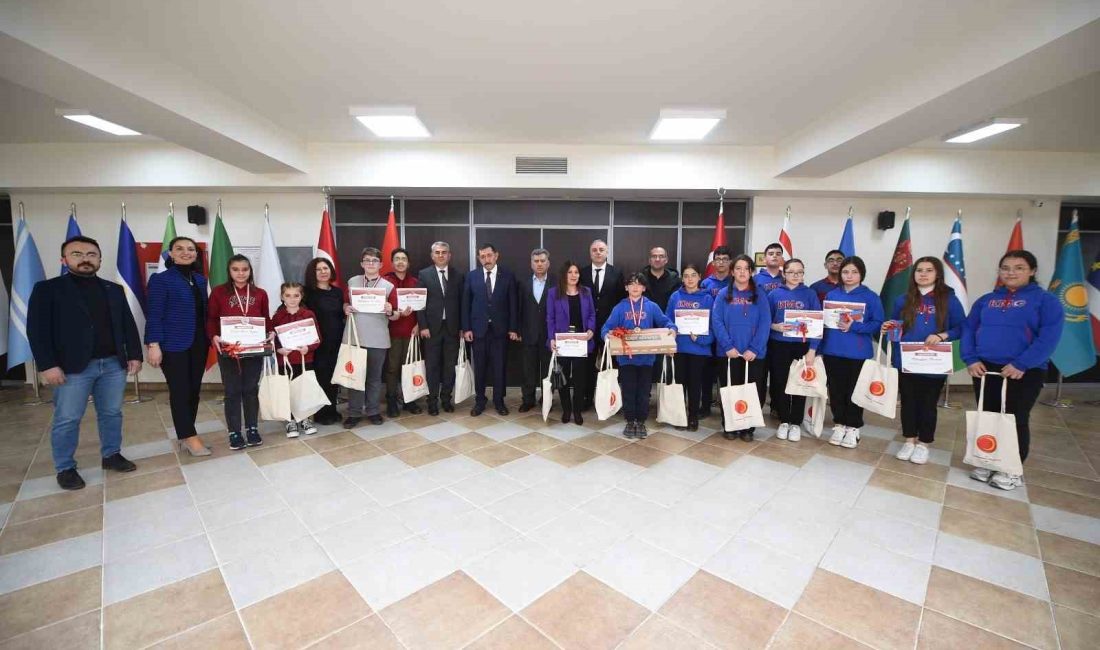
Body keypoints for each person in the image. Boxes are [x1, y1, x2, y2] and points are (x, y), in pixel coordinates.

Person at [28, 235, 141, 490]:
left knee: (112, 413)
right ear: (64, 259)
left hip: (112, 364)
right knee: (68, 418)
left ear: (99, 259)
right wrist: (48, 365)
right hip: (71, 368)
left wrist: (134, 354)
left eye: (91, 254)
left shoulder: (113, 289)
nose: (85, 259)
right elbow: (37, 331)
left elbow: (127, 324)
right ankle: (65, 467)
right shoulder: (48, 289)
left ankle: (111, 455)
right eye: (77, 254)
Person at [962, 250, 1063, 490]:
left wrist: (1022, 363)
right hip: (985, 368)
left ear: (1032, 271)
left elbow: (1049, 337)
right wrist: (970, 359)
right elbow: (968, 329)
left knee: (1015, 418)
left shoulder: (1045, 300)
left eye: (1018, 267)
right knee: (988, 415)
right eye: (1006, 268)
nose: (1011, 272)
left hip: (1024, 369)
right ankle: (988, 460)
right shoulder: (986, 300)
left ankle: (1011, 468)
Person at [883, 257, 965, 465]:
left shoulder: (948, 299)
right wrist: (889, 327)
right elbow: (896, 325)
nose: (923, 274)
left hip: (934, 361)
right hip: (907, 360)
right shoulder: (903, 299)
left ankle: (923, 444)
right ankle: (909, 440)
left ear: (937, 274)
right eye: (919, 270)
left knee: (928, 404)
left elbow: (962, 327)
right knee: (908, 402)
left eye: (929, 270)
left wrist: (942, 336)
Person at [146, 236, 212, 457]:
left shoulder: (200, 280)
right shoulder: (160, 279)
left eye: (191, 249)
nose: (186, 252)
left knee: (193, 391)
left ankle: (186, 435)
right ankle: (190, 438)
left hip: (199, 343)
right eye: (180, 249)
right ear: (171, 254)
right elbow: (154, 314)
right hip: (173, 345)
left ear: (196, 254)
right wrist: (153, 344)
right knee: (180, 391)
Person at [819, 256, 884, 449]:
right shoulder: (832, 295)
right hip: (832, 350)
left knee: (855, 391)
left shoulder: (870, 296)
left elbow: (878, 324)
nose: (849, 275)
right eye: (846, 271)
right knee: (836, 390)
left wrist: (855, 326)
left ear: (861, 274)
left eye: (854, 272)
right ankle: (839, 424)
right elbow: (824, 323)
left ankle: (853, 427)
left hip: (857, 352)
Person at [601, 272, 676, 439]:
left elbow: (666, 322)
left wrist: (672, 329)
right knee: (628, 390)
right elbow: (606, 328)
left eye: (639, 284)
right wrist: (608, 336)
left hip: (647, 359)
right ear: (626, 287)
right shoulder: (619, 308)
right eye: (631, 284)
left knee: (644, 391)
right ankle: (629, 421)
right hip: (626, 359)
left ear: (643, 288)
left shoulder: (651, 307)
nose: (635, 287)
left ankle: (641, 422)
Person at [208, 254, 271, 450]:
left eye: (245, 269)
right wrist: (214, 337)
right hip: (229, 348)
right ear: (229, 271)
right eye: (236, 269)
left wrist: (270, 332)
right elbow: (211, 319)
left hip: (254, 348)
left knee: (251, 389)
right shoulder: (219, 292)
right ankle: (234, 432)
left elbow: (265, 318)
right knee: (232, 390)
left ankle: (252, 428)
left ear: (250, 271)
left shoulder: (260, 293)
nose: (241, 273)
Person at [711, 255, 771, 442]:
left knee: (752, 391)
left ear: (752, 272)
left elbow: (765, 323)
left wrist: (754, 348)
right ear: (732, 271)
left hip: (753, 354)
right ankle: (729, 425)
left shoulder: (760, 295)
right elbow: (717, 321)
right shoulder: (723, 294)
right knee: (729, 390)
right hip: (728, 353)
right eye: (738, 268)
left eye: (746, 268)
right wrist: (727, 346)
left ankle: (748, 427)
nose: (742, 272)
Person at [766, 258, 822, 443]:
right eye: (791, 272)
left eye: (800, 272)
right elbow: (766, 321)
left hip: (801, 345)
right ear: (784, 273)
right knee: (780, 382)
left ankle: (795, 422)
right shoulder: (774, 294)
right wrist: (776, 327)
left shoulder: (810, 294)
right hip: (779, 344)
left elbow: (817, 324)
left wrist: (812, 349)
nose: (796, 275)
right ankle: (784, 420)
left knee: (799, 383)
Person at [343, 247, 399, 427]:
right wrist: (345, 307)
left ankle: (373, 411)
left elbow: (396, 314)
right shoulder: (352, 281)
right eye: (367, 260)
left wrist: (391, 310)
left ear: (381, 264)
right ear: (361, 264)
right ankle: (354, 413)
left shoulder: (389, 286)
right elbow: (345, 303)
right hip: (355, 338)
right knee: (354, 378)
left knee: (374, 378)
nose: (370, 264)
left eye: (374, 261)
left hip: (378, 338)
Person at [462, 243, 519, 416]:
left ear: (496, 256)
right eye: (482, 256)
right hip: (478, 330)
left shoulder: (508, 276)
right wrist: (466, 328)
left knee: (499, 367)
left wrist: (513, 328)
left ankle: (499, 401)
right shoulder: (472, 276)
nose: (486, 259)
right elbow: (466, 304)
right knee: (479, 367)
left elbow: (513, 304)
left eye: (489, 255)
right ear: (479, 258)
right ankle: (480, 401)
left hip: (500, 331)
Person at [665, 263, 714, 431]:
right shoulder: (675, 297)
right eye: (686, 276)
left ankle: (693, 416)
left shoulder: (708, 298)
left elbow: (713, 325)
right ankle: (680, 416)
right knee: (680, 384)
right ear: (682, 278)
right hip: (679, 348)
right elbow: (668, 320)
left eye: (693, 275)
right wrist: (671, 335)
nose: (690, 279)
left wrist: (701, 339)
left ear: (700, 277)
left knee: (695, 384)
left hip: (699, 350)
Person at [546, 260, 596, 424]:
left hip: (581, 342)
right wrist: (552, 338)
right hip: (562, 343)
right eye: (570, 272)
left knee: (581, 378)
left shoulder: (586, 292)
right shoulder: (554, 293)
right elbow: (550, 318)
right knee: (563, 378)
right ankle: (567, 410)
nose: (574, 275)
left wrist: (590, 330)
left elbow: (591, 315)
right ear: (564, 275)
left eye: (576, 272)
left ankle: (577, 410)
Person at [417, 241, 464, 416]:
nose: (441, 255)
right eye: (437, 252)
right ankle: (432, 402)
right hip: (431, 330)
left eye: (444, 252)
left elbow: (462, 303)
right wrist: (423, 326)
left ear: (449, 255)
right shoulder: (424, 274)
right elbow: (419, 303)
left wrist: (462, 327)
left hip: (452, 329)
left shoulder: (458, 275)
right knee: (432, 367)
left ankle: (446, 399)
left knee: (449, 367)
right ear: (432, 255)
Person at [273, 282, 322, 437]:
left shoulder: (308, 315)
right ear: (282, 297)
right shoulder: (277, 316)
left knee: (304, 390)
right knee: (287, 391)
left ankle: (305, 419)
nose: (292, 299)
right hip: (285, 361)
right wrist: (279, 349)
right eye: (288, 295)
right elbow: (272, 340)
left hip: (304, 359)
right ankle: (291, 421)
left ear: (301, 296)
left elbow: (317, 339)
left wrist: (308, 348)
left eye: (296, 295)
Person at [581, 239, 625, 410]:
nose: (598, 252)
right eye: (594, 250)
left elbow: (621, 299)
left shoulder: (617, 272)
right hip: (588, 327)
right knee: (587, 364)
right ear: (590, 253)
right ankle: (586, 397)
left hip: (610, 327)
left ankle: (610, 398)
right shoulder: (582, 273)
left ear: (607, 252)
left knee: (611, 364)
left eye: (601, 249)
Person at [303, 257, 345, 425]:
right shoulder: (307, 293)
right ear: (313, 273)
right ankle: (321, 413)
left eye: (325, 268)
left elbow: (341, 315)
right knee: (321, 378)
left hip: (337, 341)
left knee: (334, 377)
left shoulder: (337, 292)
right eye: (318, 269)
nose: (323, 272)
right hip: (317, 344)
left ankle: (332, 409)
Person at [383, 248, 422, 417]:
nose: (400, 262)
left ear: (408, 263)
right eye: (397, 259)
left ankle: (409, 400)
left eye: (403, 259)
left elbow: (423, 307)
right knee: (392, 368)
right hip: (390, 331)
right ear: (392, 263)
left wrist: (420, 324)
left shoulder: (416, 282)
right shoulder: (385, 282)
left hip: (411, 331)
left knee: (409, 367)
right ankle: (391, 400)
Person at [700, 245, 733, 417]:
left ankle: (728, 409)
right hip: (706, 333)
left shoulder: (735, 282)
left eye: (725, 259)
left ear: (730, 262)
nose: (721, 262)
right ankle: (705, 406)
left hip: (727, 335)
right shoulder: (705, 283)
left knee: (726, 373)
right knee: (706, 373)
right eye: (718, 259)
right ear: (713, 262)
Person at [518, 248, 551, 413]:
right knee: (528, 370)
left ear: (548, 263)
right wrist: (515, 330)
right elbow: (518, 308)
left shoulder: (556, 283)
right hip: (528, 333)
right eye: (536, 261)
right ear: (531, 264)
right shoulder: (523, 283)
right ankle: (528, 400)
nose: (539, 264)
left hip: (548, 336)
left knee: (548, 371)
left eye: (542, 261)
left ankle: (547, 399)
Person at [641, 247, 681, 311]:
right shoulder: (640, 279)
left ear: (666, 260)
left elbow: (677, 303)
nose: (657, 259)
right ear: (649, 260)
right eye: (654, 256)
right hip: (646, 318)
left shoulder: (675, 280)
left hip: (668, 319)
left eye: (661, 256)